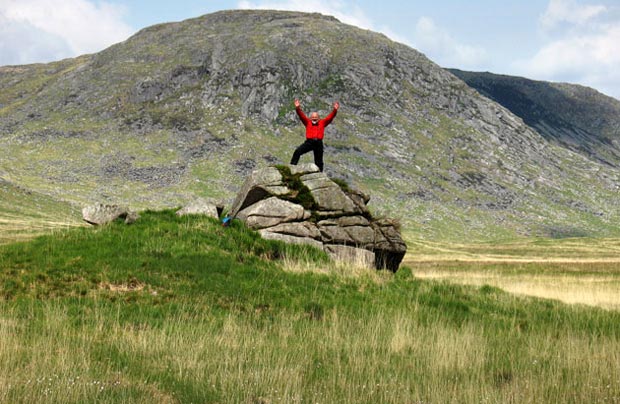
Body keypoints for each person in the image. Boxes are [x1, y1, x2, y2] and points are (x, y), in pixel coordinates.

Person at [290, 98, 339, 172]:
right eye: (313, 117)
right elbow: (301, 115)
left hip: (318, 143)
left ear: (318, 118)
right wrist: (297, 107)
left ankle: (320, 175)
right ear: (310, 118)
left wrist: (335, 110)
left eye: (316, 117)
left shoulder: (322, 122)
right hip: (309, 142)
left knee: (319, 161)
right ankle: (291, 167)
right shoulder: (307, 122)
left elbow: (330, 117)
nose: (314, 118)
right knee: (297, 151)